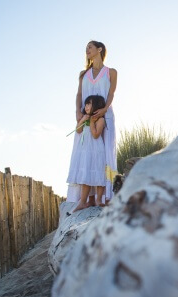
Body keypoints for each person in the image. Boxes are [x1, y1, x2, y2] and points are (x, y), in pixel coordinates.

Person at [66, 40, 118, 205]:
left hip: (105, 115)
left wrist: (104, 110)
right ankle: (87, 199)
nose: (87, 50)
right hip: (86, 116)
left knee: (105, 154)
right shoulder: (83, 74)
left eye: (90, 47)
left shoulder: (111, 72)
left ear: (99, 49)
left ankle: (104, 197)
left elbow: (111, 93)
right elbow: (79, 94)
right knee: (86, 153)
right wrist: (78, 112)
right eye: (86, 48)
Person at [67, 95, 107, 212]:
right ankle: (83, 201)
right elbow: (78, 130)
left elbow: (95, 135)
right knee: (87, 174)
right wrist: (83, 120)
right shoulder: (85, 118)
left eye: (89, 104)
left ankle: (99, 199)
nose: (86, 106)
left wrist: (91, 123)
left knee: (98, 172)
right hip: (86, 151)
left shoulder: (100, 119)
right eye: (86, 104)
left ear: (97, 105)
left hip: (96, 150)